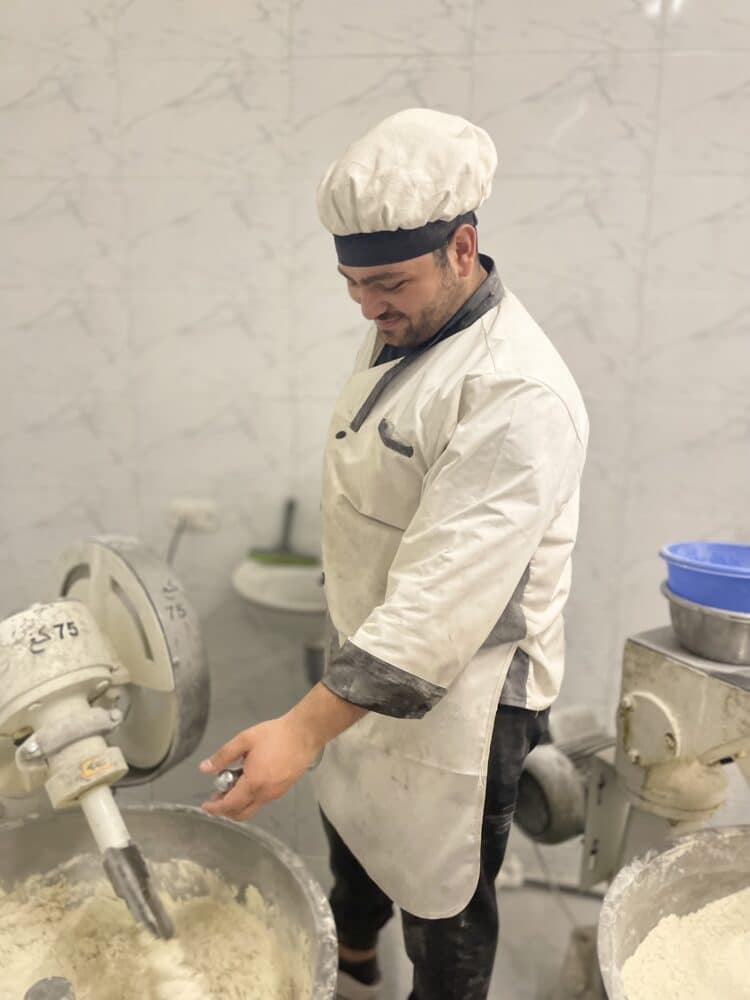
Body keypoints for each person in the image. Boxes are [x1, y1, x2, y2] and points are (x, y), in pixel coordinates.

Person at [199, 108, 589, 1000]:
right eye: (351, 285)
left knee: (443, 895)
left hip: (469, 695)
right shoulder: (414, 325)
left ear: (462, 247)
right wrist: (324, 714)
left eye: (386, 283)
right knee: (357, 827)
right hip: (368, 658)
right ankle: (357, 957)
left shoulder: (517, 393)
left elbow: (444, 605)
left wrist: (300, 729)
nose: (368, 307)